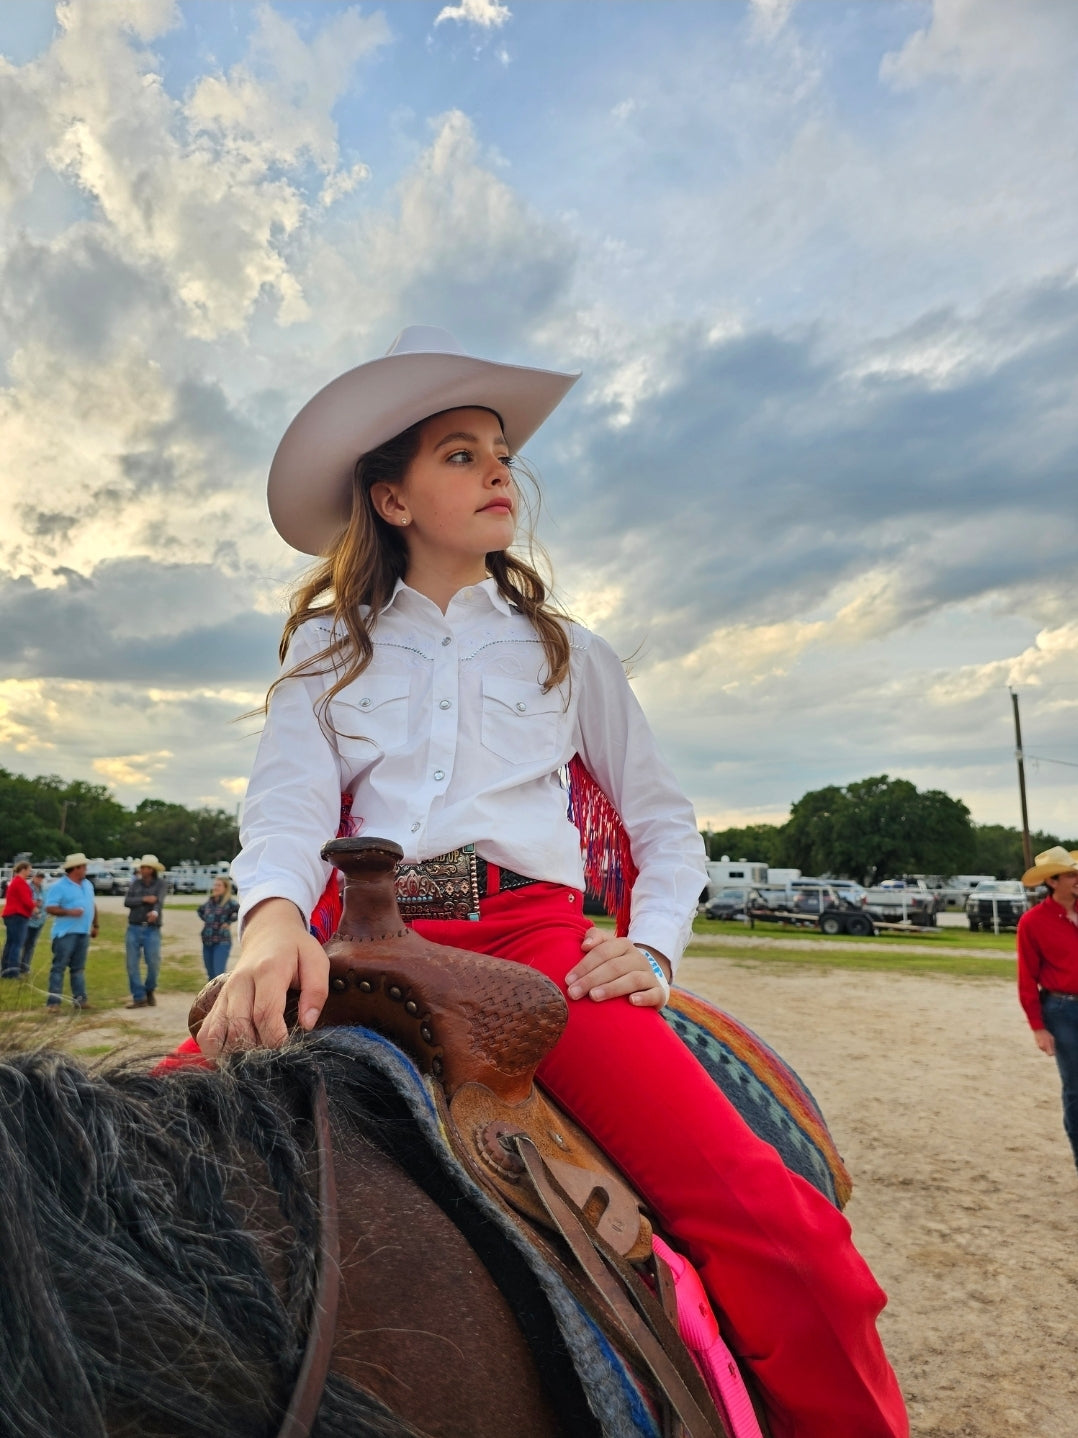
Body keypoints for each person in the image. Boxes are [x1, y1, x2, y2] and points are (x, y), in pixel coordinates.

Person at [195, 326, 908, 1438]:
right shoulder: (327, 650)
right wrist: (270, 919)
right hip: (353, 948)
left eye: (501, 455)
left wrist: (652, 945)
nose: (499, 473)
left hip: (534, 951)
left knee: (787, 1238)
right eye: (461, 454)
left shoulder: (567, 650)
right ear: (391, 499)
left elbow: (664, 825)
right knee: (134, 1163)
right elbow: (285, 809)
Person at [1016, 845, 1078, 1172]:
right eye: (1071, 874)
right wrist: (1038, 1027)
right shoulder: (1033, 922)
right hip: (1062, 1010)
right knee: (1076, 1088)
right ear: (1052, 881)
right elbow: (1026, 977)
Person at [44, 852, 98, 1012]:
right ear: (75, 868)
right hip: (65, 933)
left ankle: (80, 1000)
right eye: (84, 867)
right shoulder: (59, 886)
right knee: (59, 967)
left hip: (83, 932)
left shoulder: (88, 885)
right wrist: (69, 912)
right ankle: (53, 1003)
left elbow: (92, 904)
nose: (86, 869)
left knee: (78, 968)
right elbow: (50, 907)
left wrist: (96, 924)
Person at [124, 854, 168, 1008]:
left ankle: (149, 989)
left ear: (152, 870)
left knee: (153, 962)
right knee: (132, 963)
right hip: (134, 926)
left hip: (152, 928)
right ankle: (139, 996)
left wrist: (154, 912)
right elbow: (127, 901)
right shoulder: (135, 884)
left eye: (146, 867)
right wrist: (144, 899)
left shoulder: (161, 884)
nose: (142, 870)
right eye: (142, 867)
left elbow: (159, 901)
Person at [197, 876, 239, 980]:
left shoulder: (230, 903)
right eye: (215, 885)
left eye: (219, 885)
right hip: (207, 941)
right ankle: (212, 992)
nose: (215, 887)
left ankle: (222, 991)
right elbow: (200, 911)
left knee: (218, 975)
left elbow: (239, 911)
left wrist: (229, 921)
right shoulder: (210, 901)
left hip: (221, 942)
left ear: (225, 888)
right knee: (210, 975)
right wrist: (208, 923)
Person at [0, 860, 35, 978]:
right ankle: (13, 971)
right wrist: (34, 907)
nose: (30, 872)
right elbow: (26, 900)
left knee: (10, 943)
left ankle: (5, 969)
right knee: (17, 944)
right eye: (29, 870)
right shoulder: (20, 882)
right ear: (23, 869)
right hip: (17, 915)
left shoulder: (15, 881)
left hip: (11, 914)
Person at [19, 870, 47, 974]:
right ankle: (13, 965)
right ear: (33, 877)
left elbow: (46, 903)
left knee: (31, 945)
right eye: (38, 877)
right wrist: (34, 903)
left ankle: (25, 967)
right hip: (27, 920)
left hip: (39, 921)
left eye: (41, 877)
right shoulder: (27, 887)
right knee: (21, 943)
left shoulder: (44, 889)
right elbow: (24, 901)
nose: (39, 879)